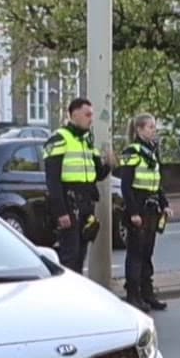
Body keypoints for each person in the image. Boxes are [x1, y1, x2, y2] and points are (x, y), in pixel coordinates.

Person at [43, 97, 113, 273]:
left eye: (92, 115)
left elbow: (97, 175)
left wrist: (110, 165)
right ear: (74, 115)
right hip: (69, 202)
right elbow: (52, 180)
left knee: (81, 254)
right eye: (87, 114)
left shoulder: (87, 141)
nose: (91, 119)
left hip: (86, 204)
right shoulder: (59, 139)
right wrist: (61, 212)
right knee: (70, 255)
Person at [118, 114, 171, 310]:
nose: (153, 130)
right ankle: (133, 295)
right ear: (139, 130)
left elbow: (157, 183)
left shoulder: (152, 151)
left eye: (154, 127)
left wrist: (165, 204)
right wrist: (133, 212)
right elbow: (126, 186)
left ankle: (147, 294)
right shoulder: (132, 152)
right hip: (138, 209)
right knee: (135, 254)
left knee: (147, 253)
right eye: (150, 127)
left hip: (151, 209)